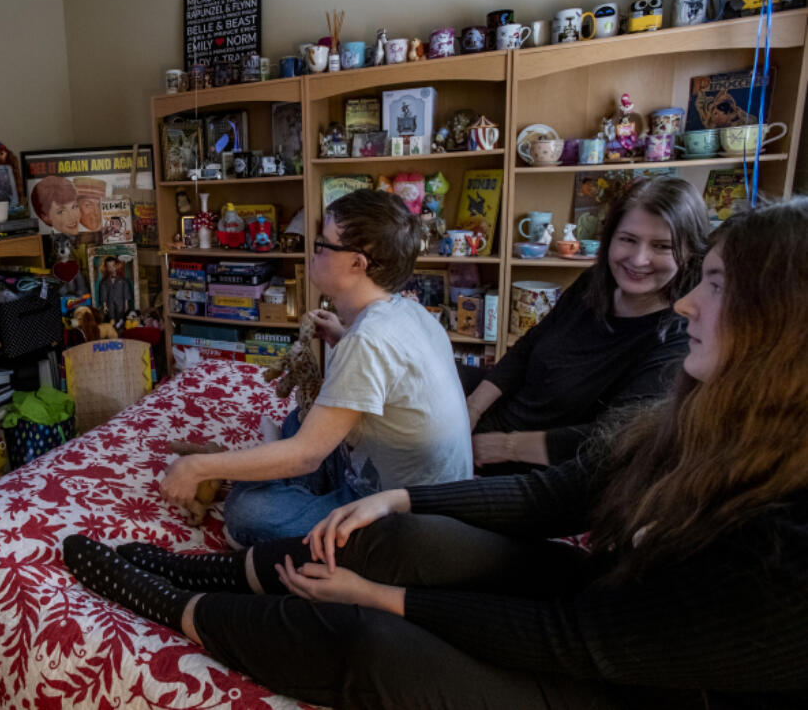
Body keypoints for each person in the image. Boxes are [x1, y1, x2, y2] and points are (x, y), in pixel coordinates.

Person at [64, 198, 808, 709]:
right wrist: (405, 499)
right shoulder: (698, 415)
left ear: (779, 322)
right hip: (604, 597)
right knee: (398, 535)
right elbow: (553, 496)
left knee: (371, 640)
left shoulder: (784, 549)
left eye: (709, 285)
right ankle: (201, 567)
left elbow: (579, 644)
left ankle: (175, 602)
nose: (684, 302)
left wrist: (381, 598)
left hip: (631, 677)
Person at [161, 189, 472, 546]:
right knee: (299, 418)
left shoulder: (368, 340)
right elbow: (392, 376)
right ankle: (275, 472)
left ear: (359, 263)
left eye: (323, 245)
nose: (315, 251)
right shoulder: (407, 310)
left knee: (248, 513)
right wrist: (341, 336)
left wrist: (197, 467)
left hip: (403, 518)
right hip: (410, 480)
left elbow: (308, 456)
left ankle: (276, 479)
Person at [469, 176, 708, 472]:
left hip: (535, 471)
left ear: (689, 254)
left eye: (662, 246)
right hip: (497, 428)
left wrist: (504, 447)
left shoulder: (679, 337)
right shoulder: (594, 283)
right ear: (610, 238)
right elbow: (530, 346)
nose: (639, 259)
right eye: (628, 239)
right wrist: (473, 408)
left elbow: (611, 437)